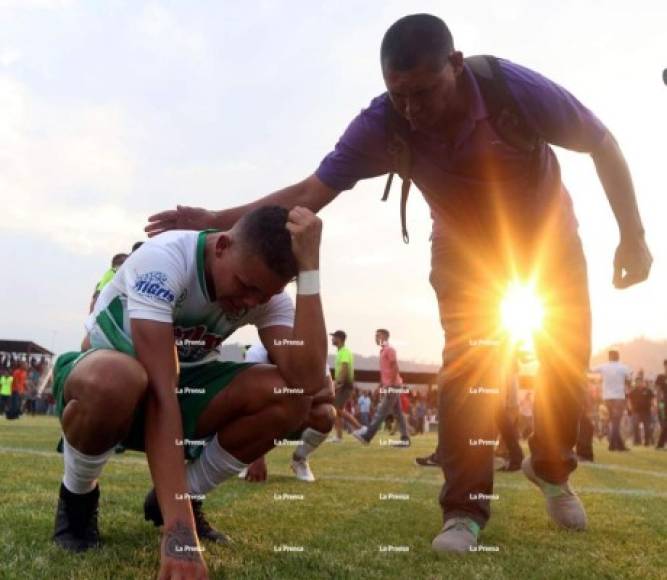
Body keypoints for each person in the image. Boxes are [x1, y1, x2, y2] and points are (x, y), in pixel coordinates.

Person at [145, 13, 652, 553]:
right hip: (464, 248)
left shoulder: (512, 89)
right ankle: (463, 510)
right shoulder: (384, 123)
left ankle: (551, 470)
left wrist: (633, 236)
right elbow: (311, 191)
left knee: (566, 359)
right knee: (471, 360)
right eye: (399, 94)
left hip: (549, 235)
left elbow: (602, 142)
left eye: (424, 92)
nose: (412, 109)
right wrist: (216, 218)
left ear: (455, 66)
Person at [51, 206, 327, 580]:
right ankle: (78, 497)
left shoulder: (262, 291)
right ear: (222, 246)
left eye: (264, 295)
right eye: (246, 287)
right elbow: (161, 396)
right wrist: (180, 535)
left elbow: (308, 378)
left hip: (184, 388)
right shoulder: (165, 259)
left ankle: (185, 495)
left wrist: (310, 272)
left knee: (291, 394)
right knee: (118, 378)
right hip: (111, 384)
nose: (250, 302)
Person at [238, 343, 335, 483]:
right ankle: (247, 457)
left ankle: (299, 459)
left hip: (298, 416)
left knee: (327, 413)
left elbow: (329, 391)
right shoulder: (256, 353)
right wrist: (257, 457)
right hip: (266, 417)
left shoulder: (313, 348)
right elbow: (249, 401)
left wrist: (298, 400)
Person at [353, 329, 410, 446]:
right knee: (398, 414)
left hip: (393, 386)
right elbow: (384, 373)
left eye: (377, 335)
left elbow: (395, 367)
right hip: (391, 385)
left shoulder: (390, 350)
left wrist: (391, 384)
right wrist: (379, 387)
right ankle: (405, 439)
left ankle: (367, 436)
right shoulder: (382, 351)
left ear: (384, 337)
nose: (375, 338)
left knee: (381, 411)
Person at [593, 350, 632, 451]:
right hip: (619, 397)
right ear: (618, 357)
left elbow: (591, 370)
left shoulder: (604, 366)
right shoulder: (623, 367)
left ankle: (620, 446)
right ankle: (612, 445)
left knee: (613, 422)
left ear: (609, 357)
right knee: (616, 422)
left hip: (607, 398)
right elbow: (630, 377)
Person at [329, 330, 363, 441]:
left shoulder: (344, 352)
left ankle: (361, 428)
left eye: (333, 337)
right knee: (337, 410)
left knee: (336, 409)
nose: (332, 339)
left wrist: (338, 384)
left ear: (339, 339)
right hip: (343, 384)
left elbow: (344, 368)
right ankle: (339, 437)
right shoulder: (340, 352)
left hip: (345, 385)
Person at [628, 375, 654, 446]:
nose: (639, 383)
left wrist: (653, 406)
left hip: (646, 411)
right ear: (635, 383)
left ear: (643, 382)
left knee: (647, 427)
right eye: (637, 382)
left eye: (640, 382)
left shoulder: (648, 391)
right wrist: (630, 408)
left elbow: (652, 399)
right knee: (635, 425)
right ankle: (637, 441)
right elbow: (629, 400)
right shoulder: (633, 391)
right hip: (636, 411)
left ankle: (647, 441)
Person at [656, 359, 667, 450]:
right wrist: (659, 404)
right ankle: (660, 444)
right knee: (664, 423)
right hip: (662, 405)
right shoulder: (660, 377)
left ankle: (660, 444)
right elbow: (658, 391)